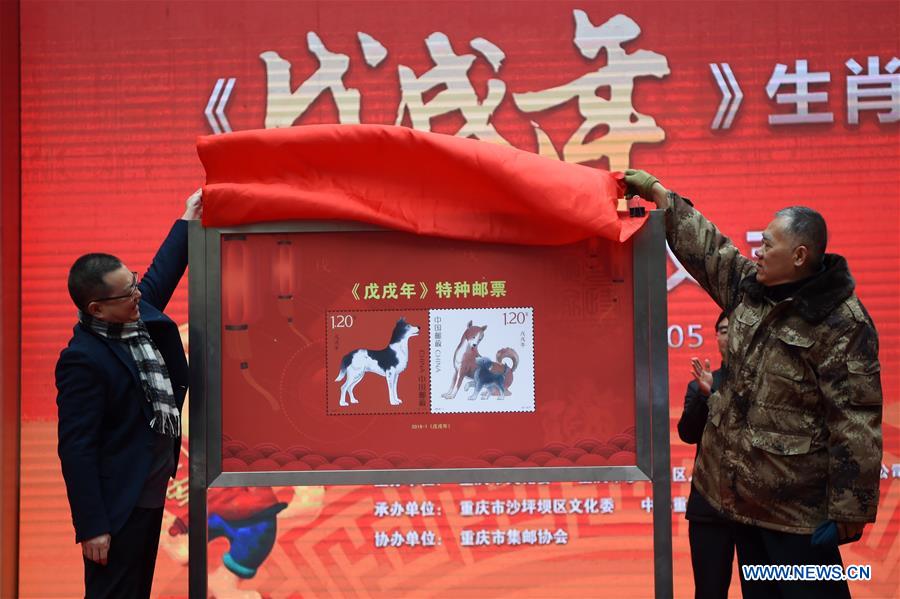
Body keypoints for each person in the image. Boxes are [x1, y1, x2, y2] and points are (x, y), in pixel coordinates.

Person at [625, 170, 882, 599]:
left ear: (799, 255)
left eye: (768, 246)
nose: (757, 253)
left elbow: (854, 418)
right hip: (740, 507)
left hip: (796, 516)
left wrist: (850, 507)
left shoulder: (841, 322)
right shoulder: (749, 290)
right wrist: (658, 193)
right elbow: (707, 248)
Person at [56, 190, 201, 598]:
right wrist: (92, 526)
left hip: (151, 493)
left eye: (134, 284)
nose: (139, 295)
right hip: (117, 505)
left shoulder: (135, 318)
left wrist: (188, 218)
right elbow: (76, 448)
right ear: (96, 308)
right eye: (128, 294)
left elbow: (161, 274)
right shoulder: (82, 360)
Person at [678, 311, 735, 599]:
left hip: (759, 510)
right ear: (716, 337)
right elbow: (688, 434)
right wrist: (703, 394)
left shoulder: (769, 384)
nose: (729, 334)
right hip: (709, 506)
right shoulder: (701, 383)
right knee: (710, 591)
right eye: (723, 329)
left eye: (736, 328)